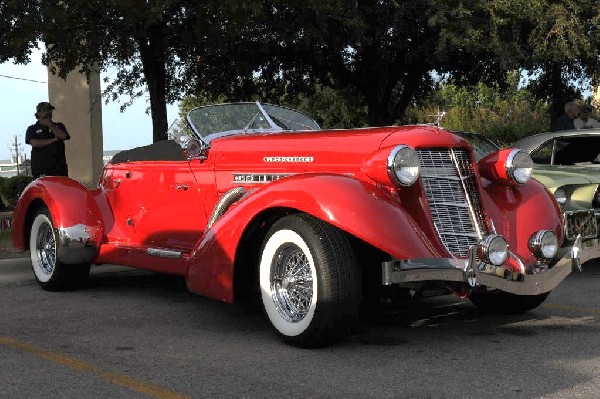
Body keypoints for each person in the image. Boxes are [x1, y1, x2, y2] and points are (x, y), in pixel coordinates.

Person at [25, 102, 70, 178]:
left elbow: (63, 136)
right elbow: (35, 143)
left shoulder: (58, 126)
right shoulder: (32, 128)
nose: (49, 113)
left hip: (59, 170)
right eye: (46, 110)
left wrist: (50, 125)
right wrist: (54, 140)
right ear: (39, 113)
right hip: (41, 170)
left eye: (50, 110)